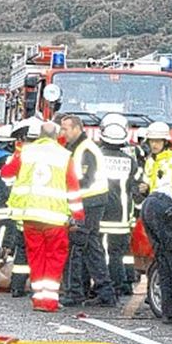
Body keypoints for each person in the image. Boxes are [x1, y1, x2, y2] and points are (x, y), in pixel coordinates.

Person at [7, 121, 84, 312]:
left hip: (30, 216)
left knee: (36, 257)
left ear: (39, 135)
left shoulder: (25, 152)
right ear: (57, 136)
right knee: (54, 258)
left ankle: (38, 298)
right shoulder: (64, 156)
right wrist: (78, 215)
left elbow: (6, 174)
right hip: (55, 219)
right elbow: (72, 188)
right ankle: (49, 301)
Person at [60, 114, 116, 307]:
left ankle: (75, 292)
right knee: (91, 248)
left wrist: (65, 192)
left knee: (77, 246)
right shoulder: (77, 147)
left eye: (66, 128)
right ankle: (104, 291)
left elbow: (85, 179)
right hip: (90, 200)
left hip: (89, 202)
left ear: (77, 128)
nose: (63, 132)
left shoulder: (85, 149)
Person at [139, 121, 172, 324]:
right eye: (151, 141)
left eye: (157, 141)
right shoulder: (150, 161)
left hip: (162, 208)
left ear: (165, 141)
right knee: (171, 261)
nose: (154, 144)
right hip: (159, 208)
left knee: (168, 261)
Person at [97, 114, 143, 296]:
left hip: (100, 213)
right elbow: (136, 187)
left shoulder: (96, 157)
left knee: (99, 252)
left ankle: (103, 287)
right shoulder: (129, 161)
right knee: (117, 253)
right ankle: (119, 285)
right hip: (122, 215)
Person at [0, 118, 42, 297]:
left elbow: (6, 177)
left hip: (22, 211)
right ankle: (38, 289)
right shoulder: (52, 154)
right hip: (42, 211)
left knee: (22, 250)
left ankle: (17, 287)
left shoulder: (21, 155)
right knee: (39, 252)